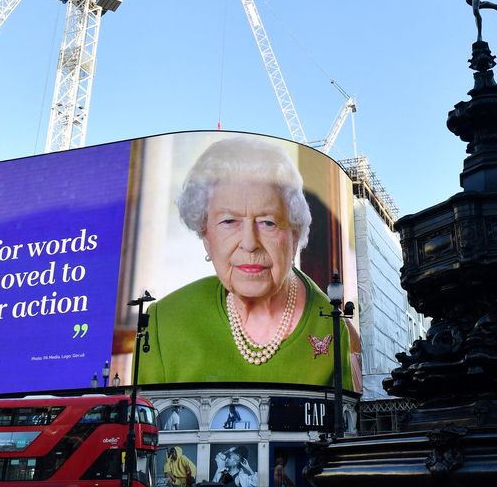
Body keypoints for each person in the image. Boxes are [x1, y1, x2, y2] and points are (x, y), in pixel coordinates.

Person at [137, 136, 361, 388]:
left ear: (295, 234)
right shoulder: (163, 322)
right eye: (229, 221)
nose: (249, 243)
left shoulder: (332, 326)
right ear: (206, 235)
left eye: (267, 222)